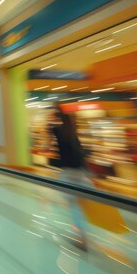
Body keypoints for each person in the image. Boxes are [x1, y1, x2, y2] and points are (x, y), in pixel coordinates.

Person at [51, 106, 89, 251]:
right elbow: (81, 154)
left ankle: (81, 237)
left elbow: (51, 129)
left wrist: (56, 112)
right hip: (80, 172)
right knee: (76, 204)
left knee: (74, 205)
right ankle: (81, 233)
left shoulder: (60, 132)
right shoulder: (73, 134)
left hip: (69, 173)